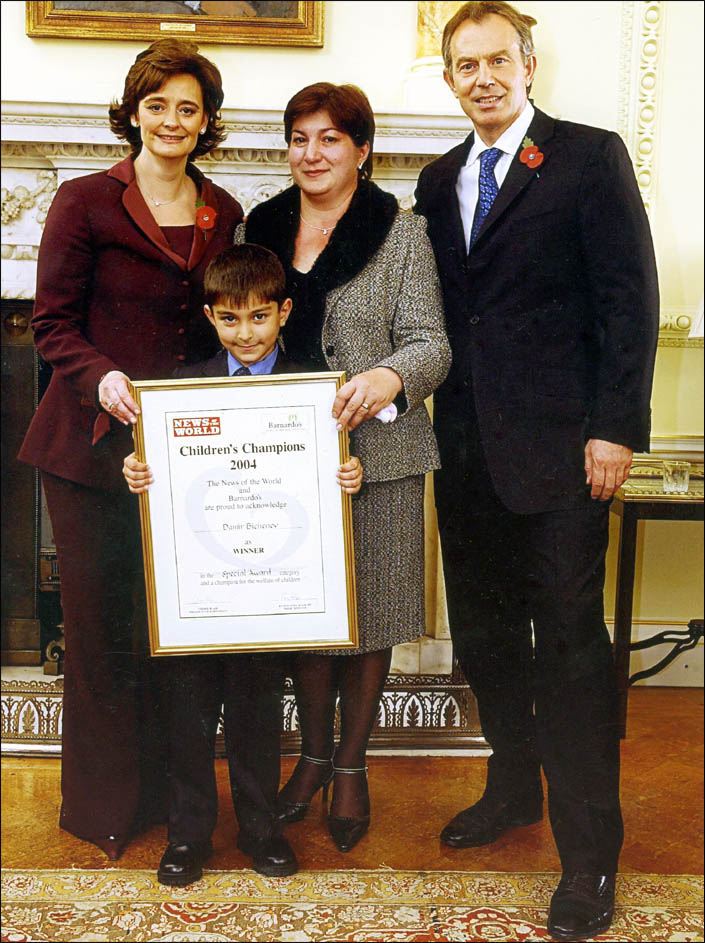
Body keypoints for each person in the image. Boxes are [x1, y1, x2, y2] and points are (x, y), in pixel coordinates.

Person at [414, 3, 659, 940]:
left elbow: (628, 299)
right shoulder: (439, 181)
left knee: (566, 651)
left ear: (526, 66)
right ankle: (512, 785)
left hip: (564, 456)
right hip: (466, 454)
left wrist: (614, 429)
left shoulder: (588, 157)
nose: (480, 78)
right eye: (463, 65)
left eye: (495, 61)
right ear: (448, 80)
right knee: (482, 639)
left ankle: (589, 858)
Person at [18, 38, 244, 861]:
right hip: (86, 449)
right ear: (134, 111)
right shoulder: (83, 201)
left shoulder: (223, 209)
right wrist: (102, 377)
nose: (172, 120)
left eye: (188, 107)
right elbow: (52, 324)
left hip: (182, 458)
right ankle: (105, 808)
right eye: (158, 105)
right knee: (102, 630)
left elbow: (224, 327)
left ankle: (166, 797)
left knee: (167, 630)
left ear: (206, 120)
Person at [240, 82, 451, 853]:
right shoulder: (258, 226)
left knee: (370, 619)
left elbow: (431, 342)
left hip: (384, 455)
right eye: (299, 137)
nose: (311, 153)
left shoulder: (401, 233)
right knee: (308, 613)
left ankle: (352, 764)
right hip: (285, 456)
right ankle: (313, 757)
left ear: (362, 151)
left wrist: (388, 379)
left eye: (330, 138)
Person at [122, 243, 364, 885]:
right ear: (210, 317)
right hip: (198, 592)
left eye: (260, 317)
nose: (246, 332)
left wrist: (346, 472)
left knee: (257, 715)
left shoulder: (316, 392)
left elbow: (327, 475)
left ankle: (263, 831)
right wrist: (139, 470)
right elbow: (157, 476)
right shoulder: (178, 389)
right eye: (230, 319)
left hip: (266, 592)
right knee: (188, 717)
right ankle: (187, 837)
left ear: (284, 312)